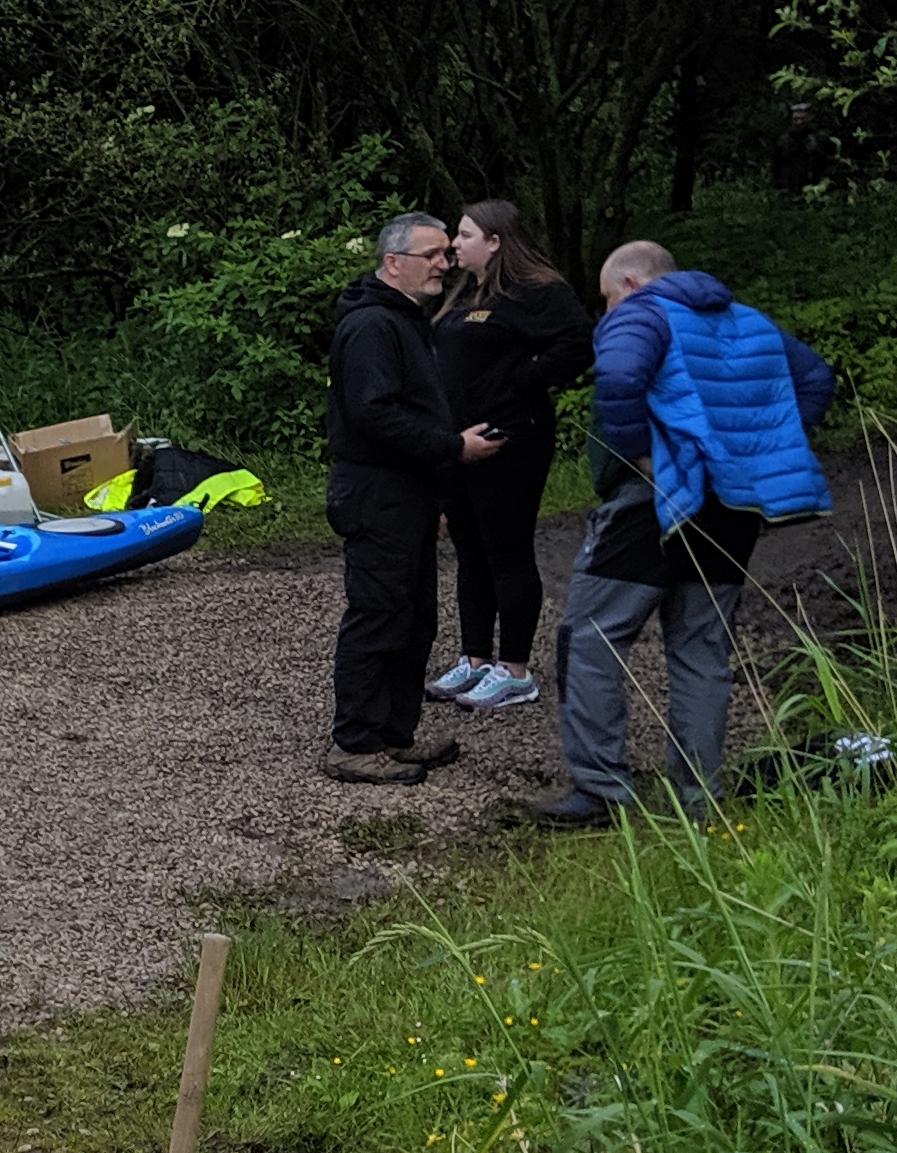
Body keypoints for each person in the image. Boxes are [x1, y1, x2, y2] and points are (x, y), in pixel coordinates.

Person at [535, 245, 832, 827]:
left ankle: (601, 791)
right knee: (701, 651)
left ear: (628, 280)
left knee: (589, 640)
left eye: (606, 298)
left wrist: (642, 455)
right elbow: (817, 378)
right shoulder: (747, 320)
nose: (607, 311)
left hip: (654, 503)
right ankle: (697, 800)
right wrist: (757, 453)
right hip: (731, 508)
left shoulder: (642, 311)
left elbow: (618, 374)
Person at [320, 211, 505, 784]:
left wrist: (437, 489)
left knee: (414, 616)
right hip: (377, 494)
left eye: (448, 254)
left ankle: (393, 734)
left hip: (409, 492)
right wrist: (452, 446)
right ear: (393, 261)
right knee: (379, 614)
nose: (444, 265)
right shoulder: (373, 326)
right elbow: (374, 414)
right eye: (433, 256)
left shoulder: (404, 319)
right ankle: (353, 742)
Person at [425, 199, 591, 717]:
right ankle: (475, 657)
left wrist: (521, 381)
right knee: (469, 549)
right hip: (458, 439)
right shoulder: (463, 293)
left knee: (507, 549)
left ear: (496, 241)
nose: (456, 243)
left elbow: (579, 343)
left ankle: (515, 670)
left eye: (466, 234)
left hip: (509, 439)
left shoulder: (537, 292)